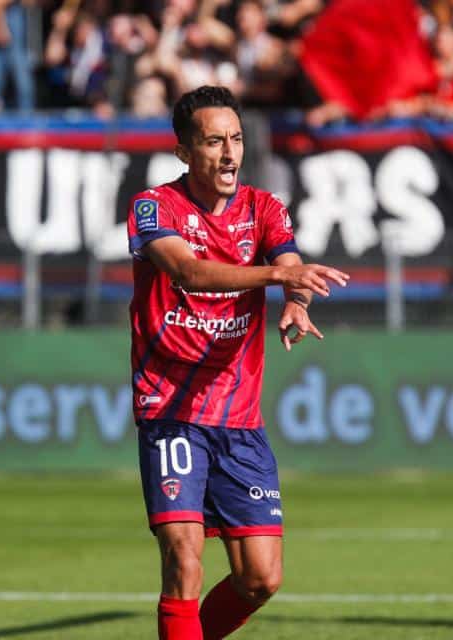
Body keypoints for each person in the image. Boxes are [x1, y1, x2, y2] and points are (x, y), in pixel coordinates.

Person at [126, 85, 348, 640]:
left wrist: (296, 301)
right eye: (213, 142)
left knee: (261, 578)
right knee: (184, 558)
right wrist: (279, 278)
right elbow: (188, 272)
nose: (229, 154)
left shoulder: (264, 208)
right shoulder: (154, 207)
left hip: (238, 416)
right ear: (184, 152)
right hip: (171, 408)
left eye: (236, 140)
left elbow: (291, 263)